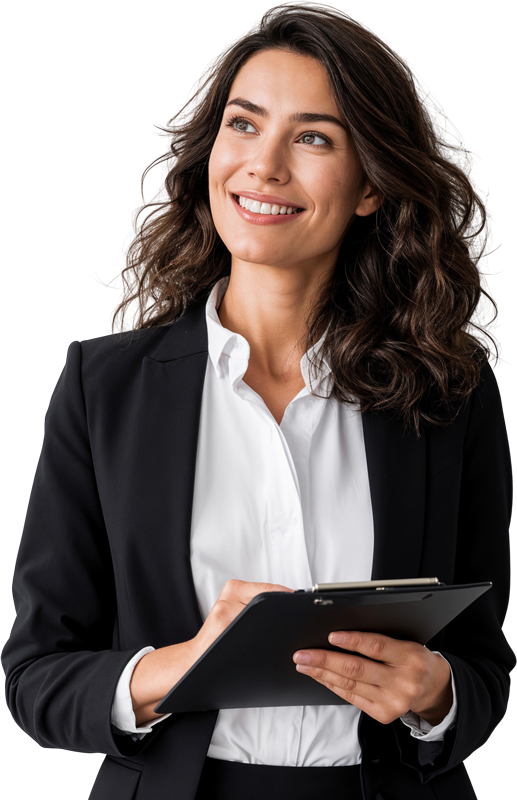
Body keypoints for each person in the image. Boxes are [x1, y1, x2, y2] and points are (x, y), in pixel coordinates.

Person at [2, 3, 514, 799]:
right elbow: (35, 680)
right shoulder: (102, 388)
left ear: (371, 184)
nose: (263, 167)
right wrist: (182, 665)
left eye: (312, 137)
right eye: (243, 125)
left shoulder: (451, 394)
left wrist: (433, 693)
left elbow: (485, 669)